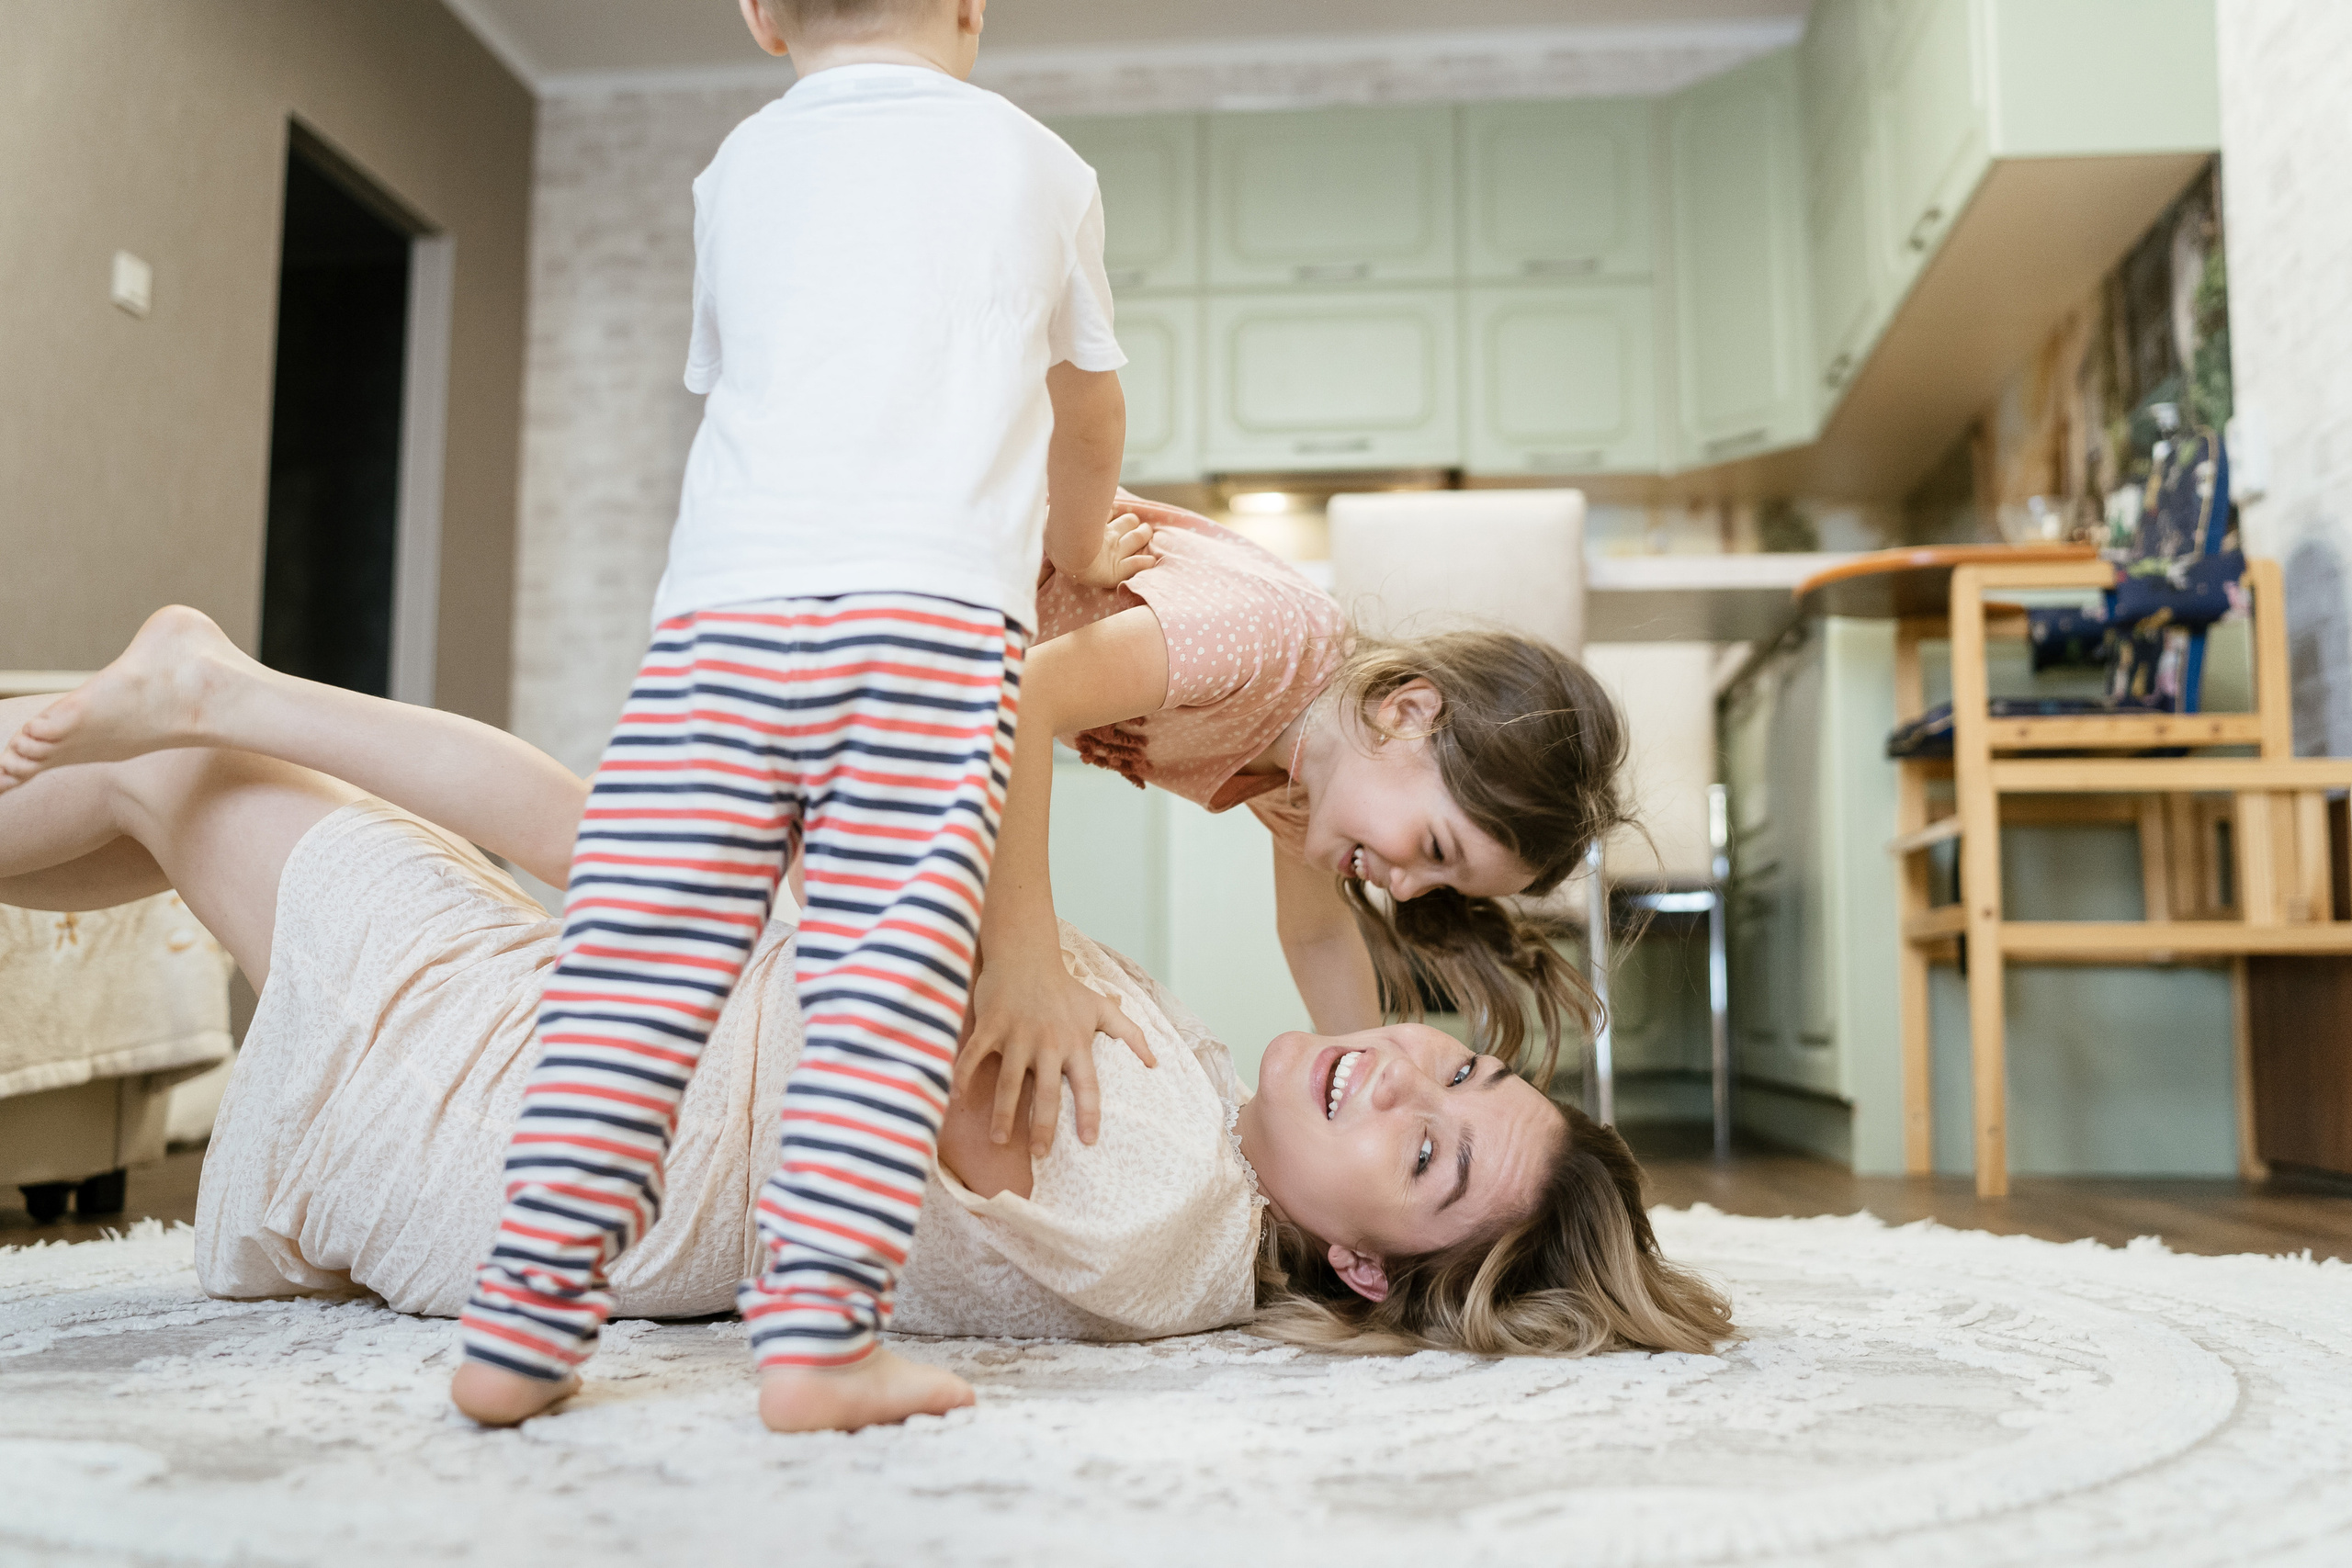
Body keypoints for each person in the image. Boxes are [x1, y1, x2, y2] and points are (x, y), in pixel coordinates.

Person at [8, 0, 1156, 1432]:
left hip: (719, 626)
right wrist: (1085, 539)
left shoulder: (737, 169)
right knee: (877, 987)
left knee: (628, 974)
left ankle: (525, 1319)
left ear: (757, 15)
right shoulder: (1041, 163)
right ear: (974, 9)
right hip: (927, 638)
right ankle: (818, 1341)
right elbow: (1088, 413)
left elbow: (751, 383)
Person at [0, 612, 1733, 1382]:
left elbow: (902, 1000)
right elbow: (1325, 957)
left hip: (539, 1125)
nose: (1401, 1079)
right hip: (629, 1077)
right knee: (183, 784)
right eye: (1461, 1071)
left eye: (1432, 1158)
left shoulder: (1154, 1189)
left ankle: (214, 682)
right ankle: (202, 688)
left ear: (1361, 1263)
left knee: (198, 767)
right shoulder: (1216, 1158)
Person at [961, 491, 1624, 1169]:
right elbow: (1027, 694)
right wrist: (1025, 963)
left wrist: (1373, 1101)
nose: (1406, 886)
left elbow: (1318, 935)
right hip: (933, 545)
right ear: (1407, 713)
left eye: (1439, 882)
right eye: (1434, 849)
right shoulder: (1270, 641)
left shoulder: (1306, 784)